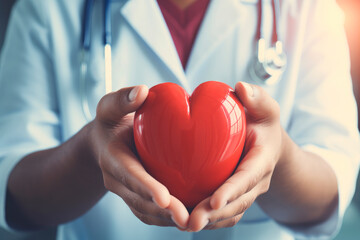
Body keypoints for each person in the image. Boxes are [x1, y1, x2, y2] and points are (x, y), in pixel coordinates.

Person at [0, 0, 359, 239]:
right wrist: (90, 155)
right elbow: (13, 191)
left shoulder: (310, 8)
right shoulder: (49, 8)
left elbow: (331, 189)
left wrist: (278, 161)